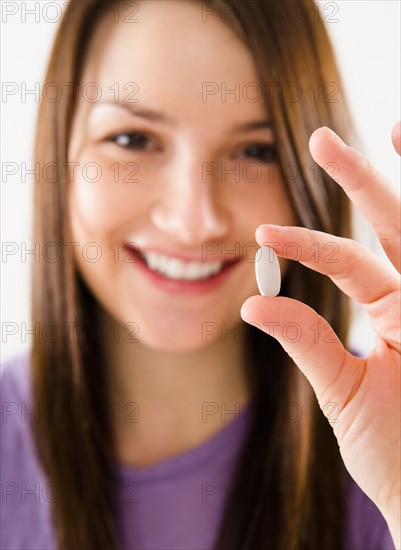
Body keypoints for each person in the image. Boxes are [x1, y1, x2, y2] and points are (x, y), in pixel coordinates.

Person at [1, 1, 400, 549]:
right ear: (59, 156)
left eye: (257, 151)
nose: (194, 222)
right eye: (133, 139)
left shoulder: (385, 443)